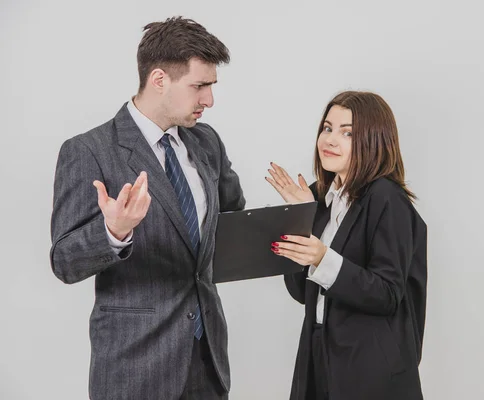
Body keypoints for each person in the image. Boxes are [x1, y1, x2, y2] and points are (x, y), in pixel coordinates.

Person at [50, 17, 244, 400]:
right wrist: (113, 232)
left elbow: (233, 219)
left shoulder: (206, 142)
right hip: (134, 365)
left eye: (211, 86)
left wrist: (294, 217)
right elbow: (64, 262)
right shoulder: (89, 150)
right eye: (199, 86)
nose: (209, 100)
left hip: (206, 361)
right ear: (159, 79)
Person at [266, 91, 427, 400]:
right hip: (318, 353)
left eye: (347, 132)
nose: (330, 139)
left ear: (374, 140)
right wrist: (302, 218)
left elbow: (387, 294)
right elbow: (302, 294)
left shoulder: (387, 199)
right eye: (327, 128)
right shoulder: (318, 195)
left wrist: (323, 258)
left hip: (370, 366)